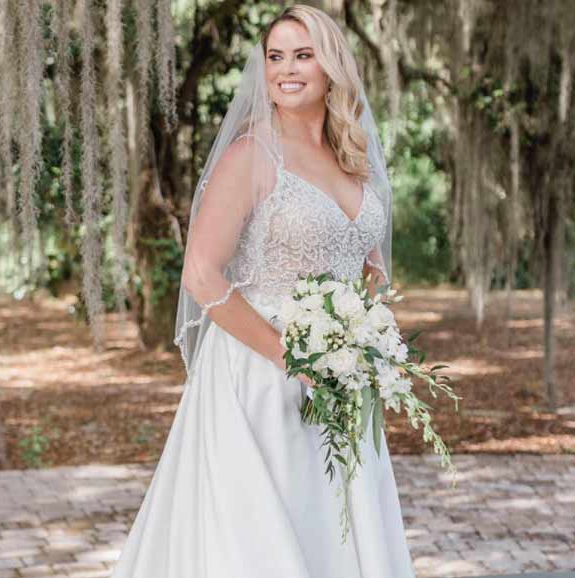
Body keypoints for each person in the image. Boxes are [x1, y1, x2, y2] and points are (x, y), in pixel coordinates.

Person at [110, 5, 415, 577]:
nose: (286, 69)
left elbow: (370, 267)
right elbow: (200, 273)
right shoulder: (251, 156)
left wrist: (362, 340)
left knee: (337, 530)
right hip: (259, 375)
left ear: (332, 67)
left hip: (342, 381)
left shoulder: (357, 162)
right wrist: (292, 355)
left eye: (303, 55)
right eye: (275, 56)